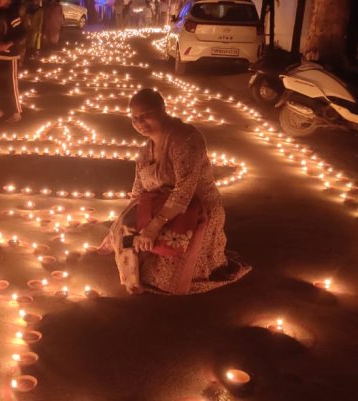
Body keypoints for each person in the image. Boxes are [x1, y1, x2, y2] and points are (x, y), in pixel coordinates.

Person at [101, 89, 250, 295]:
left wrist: (153, 226)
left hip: (198, 206)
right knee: (125, 226)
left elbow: (185, 190)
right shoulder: (146, 150)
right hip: (161, 202)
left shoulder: (186, 140)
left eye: (146, 115)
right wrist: (125, 217)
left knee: (167, 276)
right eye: (135, 118)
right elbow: (139, 188)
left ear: (163, 109)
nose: (140, 123)